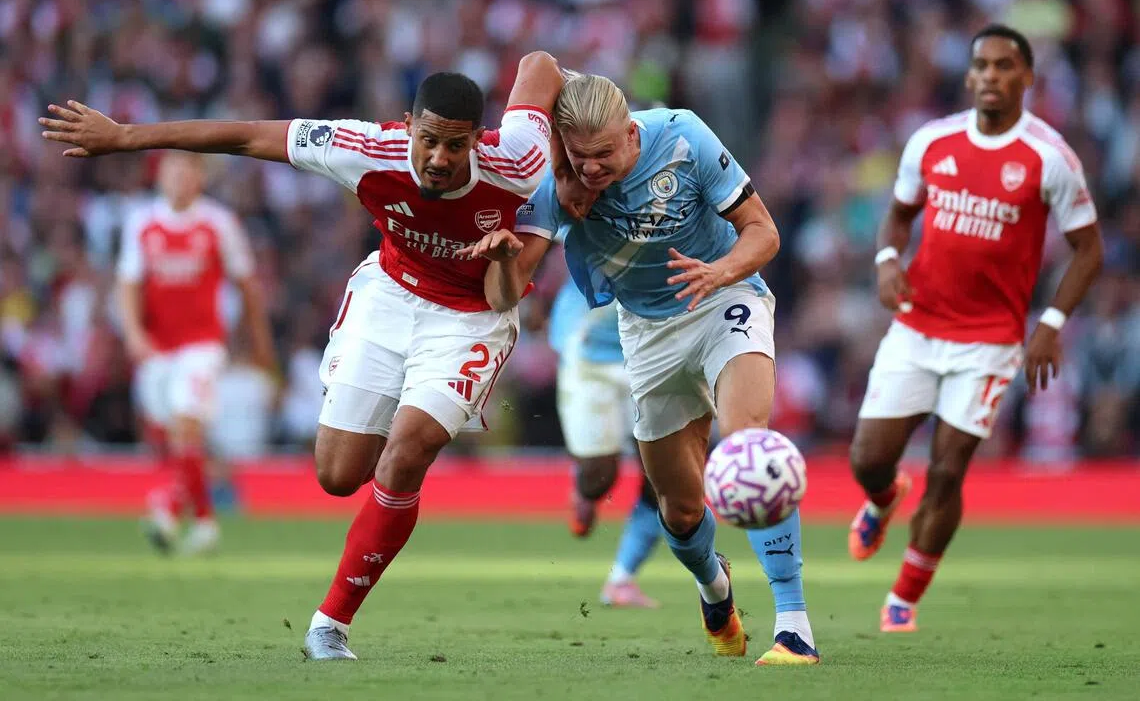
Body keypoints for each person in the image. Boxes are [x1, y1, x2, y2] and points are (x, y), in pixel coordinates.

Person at [39, 52, 564, 661]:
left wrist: (578, 128)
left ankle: (330, 623)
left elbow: (540, 65)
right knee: (339, 475)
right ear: (405, 126)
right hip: (389, 297)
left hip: (469, 320)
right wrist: (126, 137)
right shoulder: (365, 148)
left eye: (455, 146)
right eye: (428, 141)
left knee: (406, 453)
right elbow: (247, 135)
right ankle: (385, 491)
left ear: (478, 140)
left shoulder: (520, 160)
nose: (439, 159)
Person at [462, 74, 820, 665]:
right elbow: (505, 296)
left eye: (606, 153)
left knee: (748, 448)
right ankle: (714, 589)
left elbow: (764, 232)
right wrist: (502, 259)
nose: (594, 169)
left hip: (722, 299)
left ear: (632, 132)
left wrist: (720, 271)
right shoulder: (558, 185)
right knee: (679, 511)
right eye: (582, 157)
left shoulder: (683, 136)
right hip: (646, 334)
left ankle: (794, 626)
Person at [847, 24, 1104, 632]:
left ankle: (904, 597)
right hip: (917, 326)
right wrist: (887, 263)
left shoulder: (1049, 157)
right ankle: (883, 498)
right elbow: (898, 215)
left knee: (948, 468)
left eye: (1004, 66)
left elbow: (1089, 249)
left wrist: (1052, 321)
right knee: (867, 459)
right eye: (982, 65)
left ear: (1027, 78)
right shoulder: (931, 142)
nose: (991, 75)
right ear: (968, 76)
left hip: (990, 340)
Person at [116, 151, 274, 555]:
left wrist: (259, 341)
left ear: (199, 178)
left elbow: (247, 284)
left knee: (187, 422)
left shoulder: (218, 223)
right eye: (172, 172)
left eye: (186, 172)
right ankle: (203, 523)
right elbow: (128, 284)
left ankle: (168, 509)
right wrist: (134, 334)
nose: (178, 180)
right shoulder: (142, 222)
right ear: (161, 177)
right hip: (159, 348)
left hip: (203, 343)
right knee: (177, 436)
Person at [548, 277, 660, 608]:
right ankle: (586, 489)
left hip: (652, 353)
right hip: (589, 353)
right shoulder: (586, 222)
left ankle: (621, 579)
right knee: (600, 476)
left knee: (662, 476)